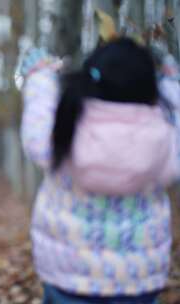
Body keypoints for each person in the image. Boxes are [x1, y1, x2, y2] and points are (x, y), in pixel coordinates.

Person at [19, 38, 180, 303]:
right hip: (137, 281)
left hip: (68, 277)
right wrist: (172, 81)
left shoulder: (65, 128)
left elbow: (37, 122)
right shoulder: (164, 137)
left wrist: (40, 77)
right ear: (151, 87)